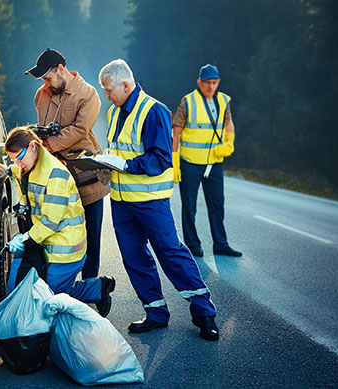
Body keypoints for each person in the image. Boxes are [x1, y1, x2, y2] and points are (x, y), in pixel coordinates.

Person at [98, 59, 219, 341]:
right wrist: (104, 164)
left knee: (170, 252)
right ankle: (155, 313)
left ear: (126, 85)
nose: (106, 95)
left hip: (150, 201)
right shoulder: (116, 112)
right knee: (134, 257)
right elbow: (118, 149)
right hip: (121, 201)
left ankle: (204, 313)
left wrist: (126, 166)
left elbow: (161, 158)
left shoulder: (154, 111)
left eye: (108, 90)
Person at [0, 127, 115, 317]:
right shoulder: (32, 166)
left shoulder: (56, 174)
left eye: (19, 157)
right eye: (13, 160)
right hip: (48, 244)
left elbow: (51, 222)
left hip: (66, 248)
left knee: (49, 297)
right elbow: (21, 172)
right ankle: (95, 288)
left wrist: (25, 238)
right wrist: (6, 169)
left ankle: (98, 288)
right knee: (40, 295)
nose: (17, 163)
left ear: (33, 146)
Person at [24, 48, 110, 279]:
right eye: (43, 79)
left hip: (86, 176)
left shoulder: (89, 94)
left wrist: (49, 145)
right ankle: (59, 282)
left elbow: (81, 129)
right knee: (55, 231)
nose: (45, 83)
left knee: (91, 235)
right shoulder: (41, 95)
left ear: (61, 69)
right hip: (53, 179)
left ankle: (92, 285)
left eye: (47, 77)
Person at [172, 64, 242, 258]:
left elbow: (229, 124)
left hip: (214, 162)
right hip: (190, 162)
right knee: (190, 205)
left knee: (217, 204)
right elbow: (175, 133)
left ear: (218, 82)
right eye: (207, 83)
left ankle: (221, 244)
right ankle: (193, 245)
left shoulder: (223, 101)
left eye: (214, 83)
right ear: (199, 82)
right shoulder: (188, 102)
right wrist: (175, 162)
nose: (211, 86)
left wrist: (229, 143)